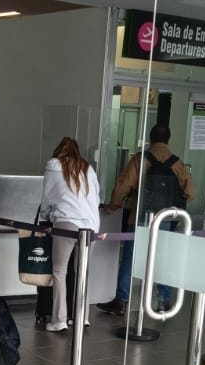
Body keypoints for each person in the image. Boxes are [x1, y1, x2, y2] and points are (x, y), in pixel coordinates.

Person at [97, 124, 195, 315]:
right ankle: (164, 300)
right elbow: (190, 193)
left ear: (151, 138)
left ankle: (122, 300)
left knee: (130, 257)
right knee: (163, 259)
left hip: (140, 216)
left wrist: (112, 207)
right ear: (168, 140)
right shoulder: (178, 163)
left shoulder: (140, 160)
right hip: (165, 218)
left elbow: (123, 187)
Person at [38, 137, 101, 332]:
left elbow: (48, 196)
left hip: (66, 222)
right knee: (82, 272)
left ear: (58, 151)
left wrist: (45, 215)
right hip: (90, 225)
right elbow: (96, 197)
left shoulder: (54, 165)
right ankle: (82, 317)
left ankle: (59, 320)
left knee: (59, 271)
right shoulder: (88, 168)